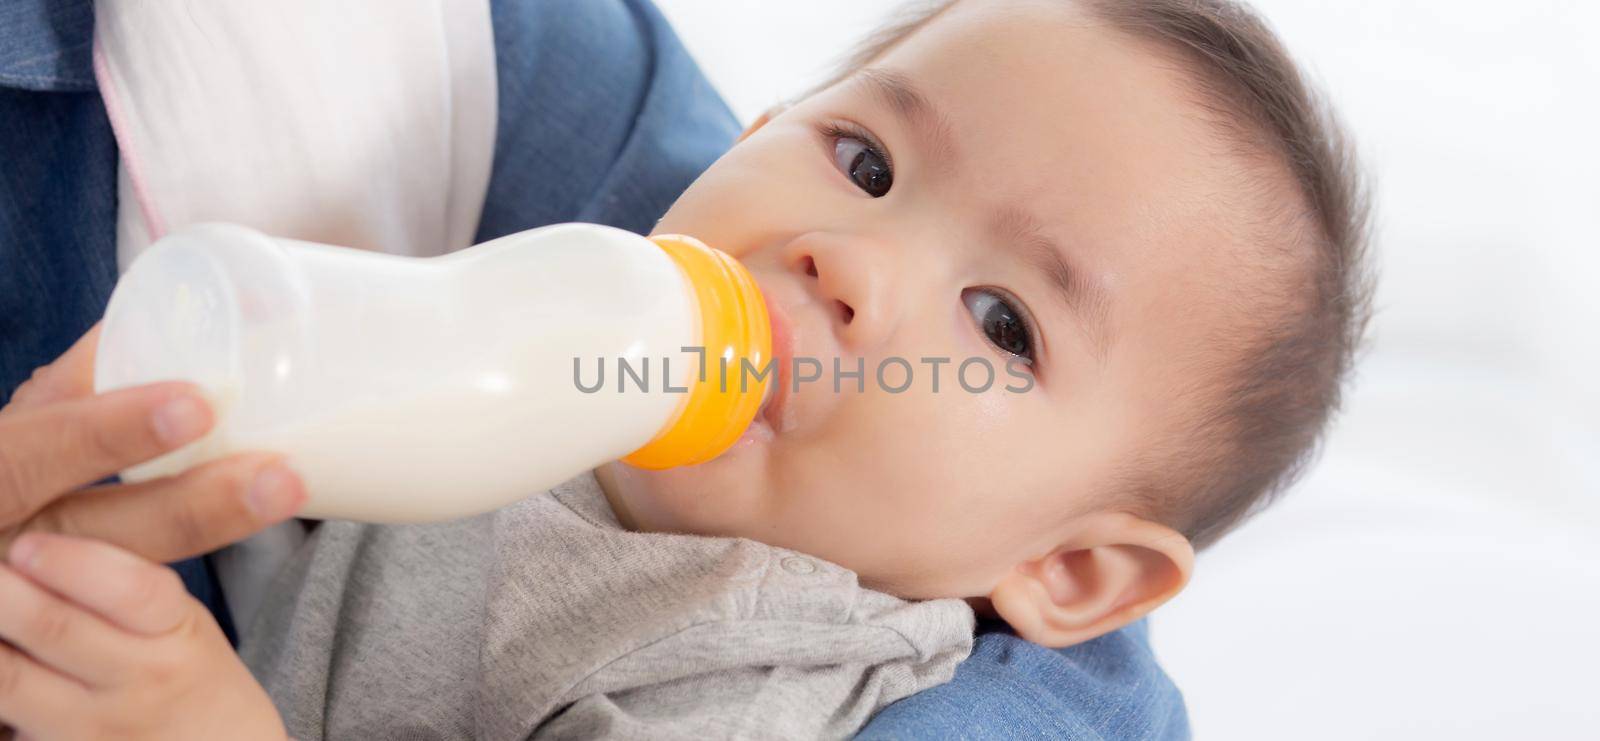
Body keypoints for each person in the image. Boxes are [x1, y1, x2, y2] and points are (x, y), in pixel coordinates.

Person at [0, 0, 1384, 736]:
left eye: (1003, 321)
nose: (845, 258)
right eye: (864, 162)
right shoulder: (525, 351)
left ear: (1071, 573)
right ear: (751, 132)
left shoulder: (759, 674)